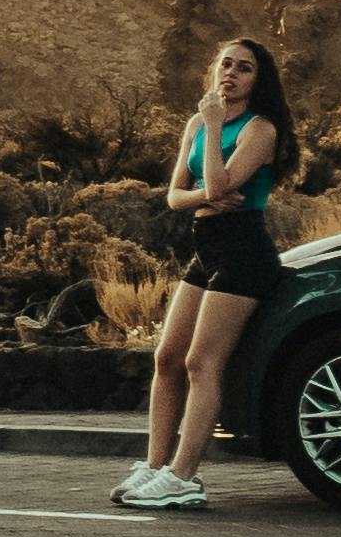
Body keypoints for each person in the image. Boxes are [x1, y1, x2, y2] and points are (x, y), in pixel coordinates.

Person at [123, 37, 296, 511]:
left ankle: (184, 478)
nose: (232, 74)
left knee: (202, 363)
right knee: (166, 358)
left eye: (244, 69)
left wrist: (217, 131)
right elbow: (174, 196)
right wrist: (204, 195)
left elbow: (220, 183)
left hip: (245, 252)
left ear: (258, 81)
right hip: (207, 250)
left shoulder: (260, 129)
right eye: (226, 64)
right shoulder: (196, 122)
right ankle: (155, 467)